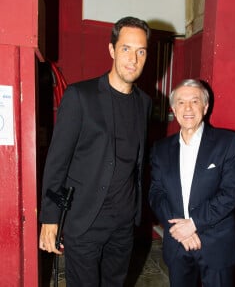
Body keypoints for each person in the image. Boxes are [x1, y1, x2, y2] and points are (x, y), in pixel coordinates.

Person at [39, 16, 152, 287]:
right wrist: (50, 218)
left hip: (124, 223)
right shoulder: (80, 96)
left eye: (141, 51)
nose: (133, 59)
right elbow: (57, 161)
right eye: (126, 48)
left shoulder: (145, 103)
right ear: (112, 50)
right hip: (85, 219)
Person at [149, 79, 235, 287]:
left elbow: (229, 194)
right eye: (181, 102)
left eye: (195, 101)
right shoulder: (160, 149)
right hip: (177, 244)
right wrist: (180, 230)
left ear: (206, 106)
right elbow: (156, 193)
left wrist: (193, 224)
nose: (188, 108)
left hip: (216, 244)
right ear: (174, 108)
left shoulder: (228, 142)